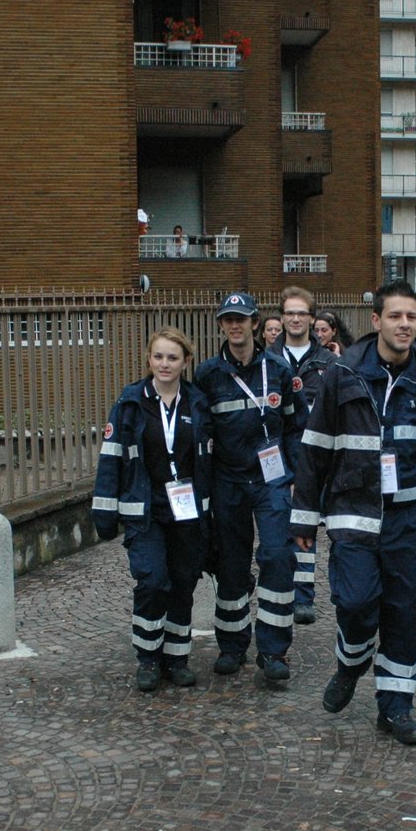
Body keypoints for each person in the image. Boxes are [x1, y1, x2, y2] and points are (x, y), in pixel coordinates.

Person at [293, 281, 416, 745]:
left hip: (410, 518)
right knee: (354, 603)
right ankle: (351, 662)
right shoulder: (343, 374)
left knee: (406, 612)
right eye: (396, 316)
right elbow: (315, 449)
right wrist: (304, 517)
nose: (406, 324)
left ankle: (395, 708)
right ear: (376, 322)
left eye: (412, 316)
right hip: (353, 513)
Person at [92, 328, 214, 692]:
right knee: (152, 580)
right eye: (158, 356)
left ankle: (176, 658)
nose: (165, 364)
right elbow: (111, 457)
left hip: (188, 512)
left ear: (185, 362)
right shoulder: (131, 402)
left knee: (182, 584)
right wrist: (104, 512)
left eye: (172, 357)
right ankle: (147, 658)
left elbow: (208, 462)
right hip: (145, 510)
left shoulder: (197, 403)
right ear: (149, 359)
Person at [193, 292, 303, 683]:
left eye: (242, 319)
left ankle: (274, 650)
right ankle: (232, 644)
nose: (235, 326)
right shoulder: (207, 375)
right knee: (231, 564)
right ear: (221, 325)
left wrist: (294, 479)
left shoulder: (277, 368)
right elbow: (199, 436)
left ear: (256, 322)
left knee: (276, 556)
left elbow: (294, 429)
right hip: (229, 481)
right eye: (228, 320)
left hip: (271, 480)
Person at [269, 286, 339, 626]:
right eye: (289, 312)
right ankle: (281, 592)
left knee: (308, 526)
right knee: (279, 531)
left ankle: (304, 598)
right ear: (281, 318)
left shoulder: (330, 363)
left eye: (302, 313)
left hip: (316, 461)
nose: (295, 318)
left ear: (312, 319)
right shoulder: (266, 360)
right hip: (277, 460)